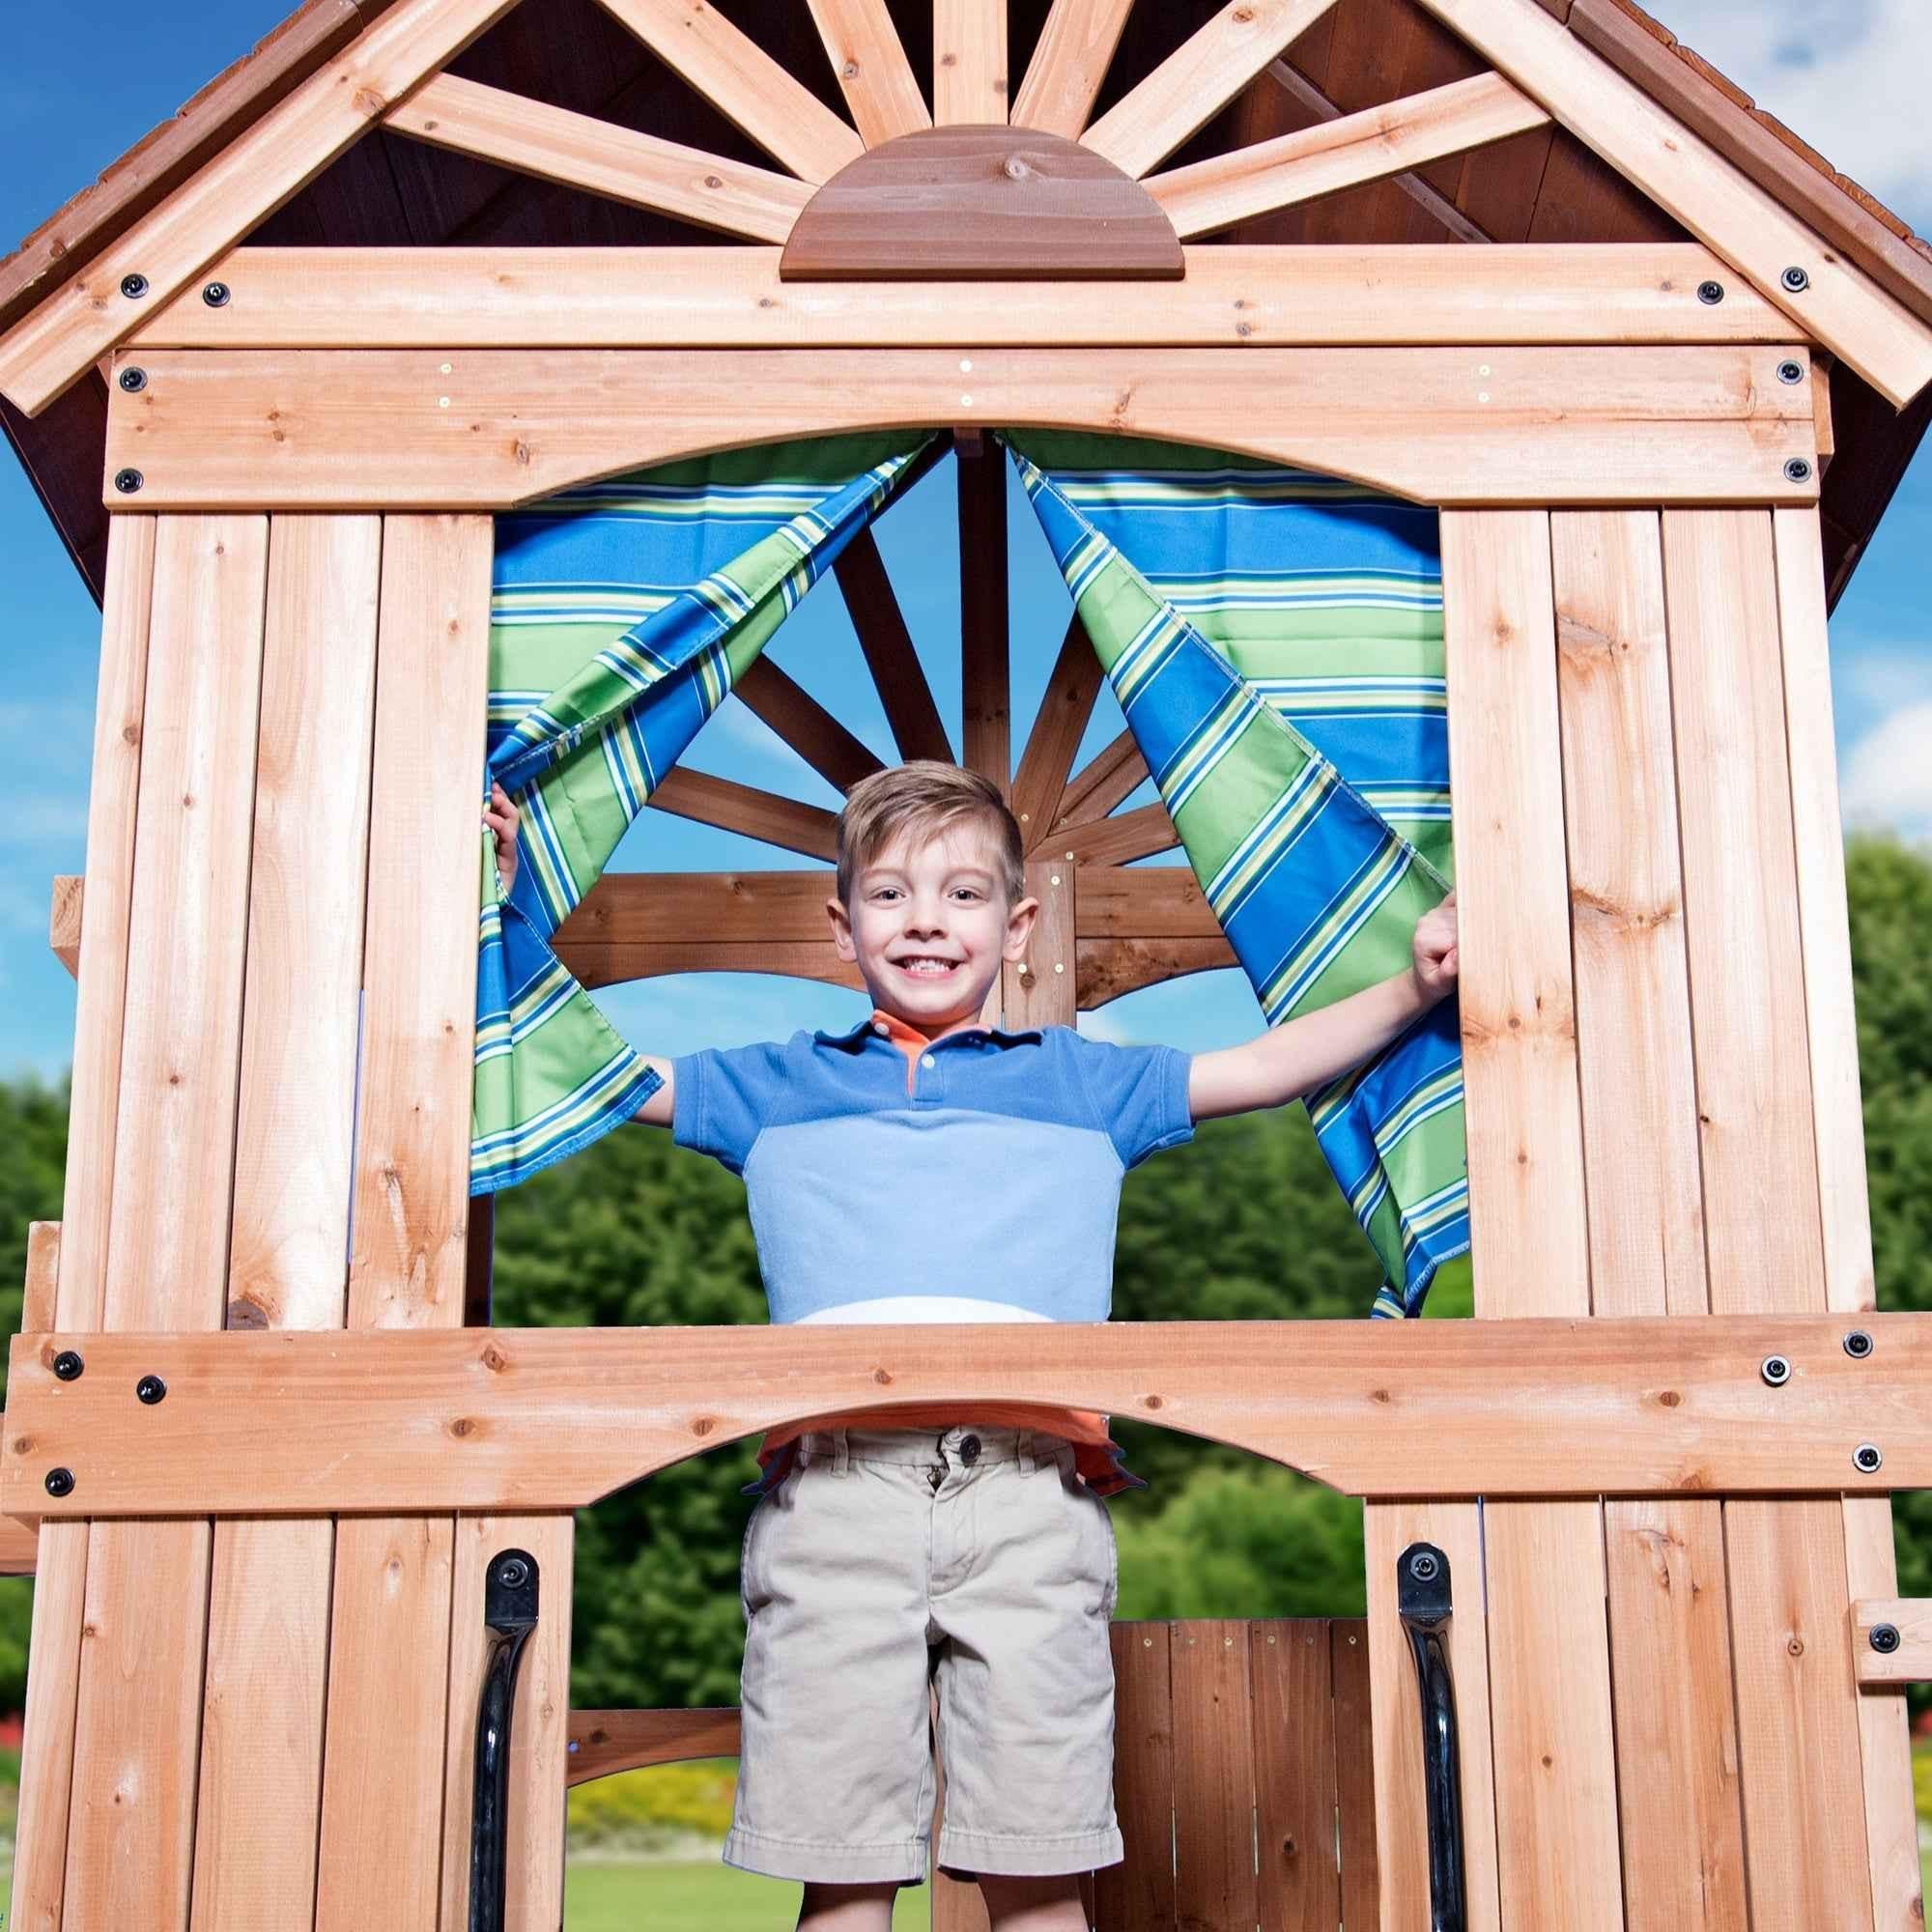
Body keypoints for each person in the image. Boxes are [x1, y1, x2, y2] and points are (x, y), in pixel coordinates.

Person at [483, 757, 1458, 1932]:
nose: (926, 921)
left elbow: (1257, 1066)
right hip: (833, 1495)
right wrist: (491, 918)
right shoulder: (773, 1084)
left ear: (1016, 921)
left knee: (1037, 1870)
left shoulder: (1086, 1083)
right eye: (890, 895)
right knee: (837, 1865)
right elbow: (591, 1073)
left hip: (1030, 1496)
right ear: (841, 925)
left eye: (960, 894)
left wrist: (1413, 985)